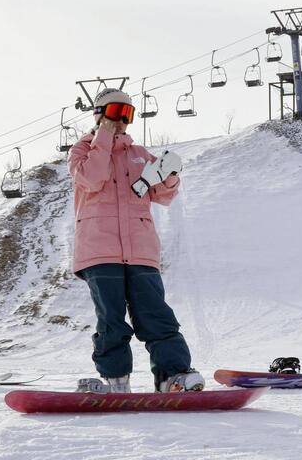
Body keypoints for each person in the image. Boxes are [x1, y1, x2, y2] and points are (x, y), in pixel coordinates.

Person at [68, 88, 202, 394]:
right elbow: (92, 178)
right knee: (111, 319)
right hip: (99, 250)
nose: (122, 121)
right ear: (99, 113)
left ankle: (174, 375)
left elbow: (164, 196)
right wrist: (103, 137)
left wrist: (170, 175)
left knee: (155, 315)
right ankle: (116, 379)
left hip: (141, 251)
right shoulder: (82, 152)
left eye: (128, 114)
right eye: (116, 112)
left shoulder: (140, 155)